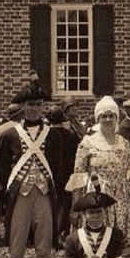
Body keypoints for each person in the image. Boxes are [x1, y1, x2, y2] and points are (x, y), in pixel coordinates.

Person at [0, 81, 67, 258]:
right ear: (23, 107)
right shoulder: (10, 135)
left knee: (44, 250)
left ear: (44, 107)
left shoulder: (54, 136)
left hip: (44, 195)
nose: (34, 109)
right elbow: (3, 168)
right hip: (20, 196)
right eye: (30, 105)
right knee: (16, 250)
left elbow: (59, 168)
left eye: (38, 105)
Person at [68, 96, 130, 255]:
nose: (108, 119)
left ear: (117, 118)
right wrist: (75, 208)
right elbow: (78, 177)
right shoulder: (87, 143)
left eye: (111, 115)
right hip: (98, 195)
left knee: (123, 239)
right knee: (98, 241)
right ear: (98, 118)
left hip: (123, 198)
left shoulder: (124, 143)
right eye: (104, 116)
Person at [45, 104, 78, 249]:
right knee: (63, 206)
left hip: (49, 174)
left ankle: (50, 235)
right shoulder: (70, 134)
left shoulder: (45, 135)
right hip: (66, 174)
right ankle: (58, 234)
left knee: (51, 204)